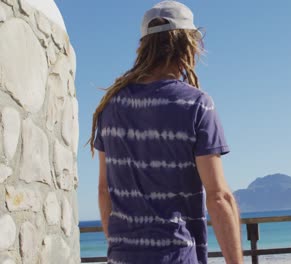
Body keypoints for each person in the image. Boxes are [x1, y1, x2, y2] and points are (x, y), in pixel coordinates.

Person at [88, 1, 243, 263]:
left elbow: (105, 190)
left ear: (143, 47)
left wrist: (121, 247)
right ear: (189, 43)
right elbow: (218, 197)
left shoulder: (111, 106)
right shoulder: (196, 104)